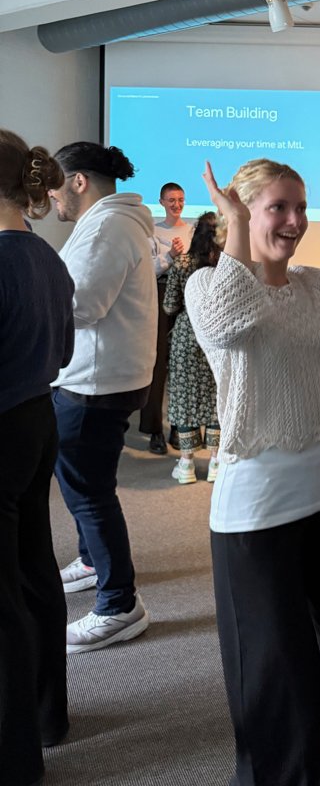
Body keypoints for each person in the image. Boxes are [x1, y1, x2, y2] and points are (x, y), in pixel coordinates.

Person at [185, 157, 320, 786]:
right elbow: (226, 320)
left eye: (300, 208)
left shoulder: (314, 286)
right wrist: (238, 231)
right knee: (281, 707)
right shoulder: (208, 285)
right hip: (255, 520)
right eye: (279, 207)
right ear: (241, 214)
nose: (296, 221)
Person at [49, 142, 157, 653]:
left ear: (78, 181)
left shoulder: (108, 226)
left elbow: (82, 304)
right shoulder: (115, 221)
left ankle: (119, 605)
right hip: (104, 375)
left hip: (95, 383)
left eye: (54, 185)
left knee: (88, 492)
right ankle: (93, 562)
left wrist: (31, 294)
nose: (50, 197)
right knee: (83, 484)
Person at [0, 131, 74, 786]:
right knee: (34, 574)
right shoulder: (46, 257)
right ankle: (50, 716)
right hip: (36, 420)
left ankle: (14, 758)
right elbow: (66, 353)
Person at [163, 211, 222, 485]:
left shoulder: (183, 262)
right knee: (216, 395)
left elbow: (170, 306)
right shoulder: (225, 264)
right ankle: (216, 461)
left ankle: (186, 463)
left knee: (184, 395)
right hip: (217, 334)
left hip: (188, 333)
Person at [140, 182, 195, 454]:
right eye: (171, 200)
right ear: (161, 202)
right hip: (160, 296)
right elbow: (147, 268)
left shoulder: (192, 230)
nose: (177, 204)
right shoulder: (152, 231)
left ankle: (178, 427)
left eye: (181, 199)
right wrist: (170, 255)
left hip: (187, 297)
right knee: (157, 364)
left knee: (181, 364)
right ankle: (154, 431)